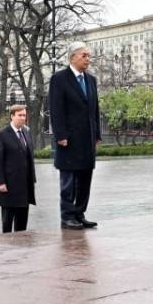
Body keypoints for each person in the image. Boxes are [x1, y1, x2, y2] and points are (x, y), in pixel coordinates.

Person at [48, 41, 101, 230]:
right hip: (69, 140)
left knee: (85, 179)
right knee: (69, 181)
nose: (88, 59)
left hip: (87, 139)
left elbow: (95, 110)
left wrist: (97, 134)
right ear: (72, 57)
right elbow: (56, 110)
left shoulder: (91, 80)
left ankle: (80, 214)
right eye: (84, 55)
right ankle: (67, 216)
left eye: (89, 55)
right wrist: (60, 135)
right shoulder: (59, 79)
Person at [0, 105, 36, 232]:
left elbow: (29, 157)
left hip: (25, 186)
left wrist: (32, 179)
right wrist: (0, 182)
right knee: (7, 223)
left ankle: (21, 246)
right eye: (20, 115)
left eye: (24, 115)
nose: (23, 118)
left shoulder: (26, 132)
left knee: (22, 224)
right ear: (12, 116)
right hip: (9, 185)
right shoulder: (2, 134)